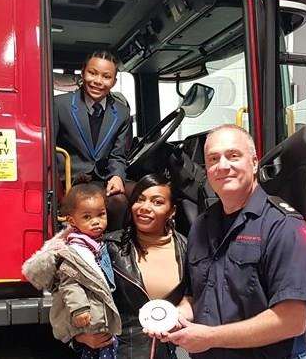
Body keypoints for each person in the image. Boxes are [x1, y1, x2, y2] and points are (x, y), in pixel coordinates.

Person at [154, 124, 306, 359]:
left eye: (233, 156)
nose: (223, 166)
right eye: (213, 159)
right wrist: (174, 317)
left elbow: (292, 320)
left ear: (254, 162)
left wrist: (210, 337)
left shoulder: (282, 226)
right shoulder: (201, 226)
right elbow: (194, 296)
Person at [75, 173, 188, 359]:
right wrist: (79, 335)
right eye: (139, 200)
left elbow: (191, 298)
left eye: (157, 202)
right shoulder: (109, 246)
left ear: (172, 211)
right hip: (115, 352)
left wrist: (181, 317)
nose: (145, 207)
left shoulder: (187, 248)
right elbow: (70, 290)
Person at [22, 175, 121, 359]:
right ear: (72, 221)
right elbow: (70, 284)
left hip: (102, 319)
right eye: (87, 217)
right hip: (91, 320)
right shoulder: (75, 250)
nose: (96, 221)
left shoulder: (96, 243)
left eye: (101, 214)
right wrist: (79, 309)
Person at [54, 50, 132, 230]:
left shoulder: (121, 113)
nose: (98, 81)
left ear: (114, 81)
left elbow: (117, 155)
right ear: (83, 72)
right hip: (69, 181)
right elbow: (48, 150)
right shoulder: (59, 105)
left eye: (106, 76)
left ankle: (116, 247)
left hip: (101, 180)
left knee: (129, 197)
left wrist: (117, 176)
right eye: (93, 73)